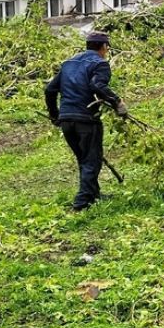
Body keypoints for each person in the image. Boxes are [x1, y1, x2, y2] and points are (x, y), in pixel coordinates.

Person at [45, 31, 128, 211]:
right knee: (92, 160)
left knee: (84, 159)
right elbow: (98, 85)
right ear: (104, 47)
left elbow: (50, 89)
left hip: (67, 120)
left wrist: (55, 115)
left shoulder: (68, 64)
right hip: (87, 119)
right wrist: (117, 102)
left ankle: (93, 194)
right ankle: (81, 204)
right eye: (107, 47)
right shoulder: (100, 64)